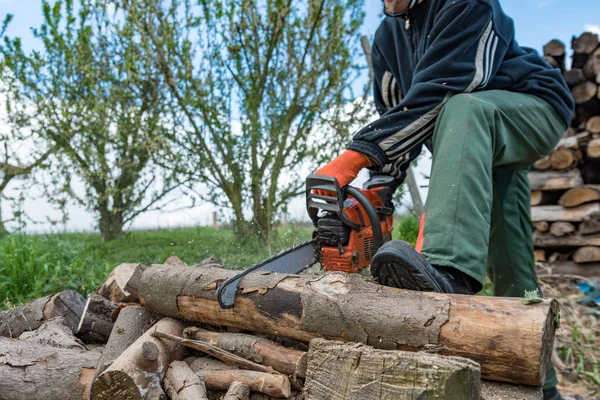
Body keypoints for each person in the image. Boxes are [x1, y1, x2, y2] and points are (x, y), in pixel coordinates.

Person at [313, 0, 574, 399]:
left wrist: (353, 158)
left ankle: (450, 271)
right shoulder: (387, 38)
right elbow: (399, 119)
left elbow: (448, 88)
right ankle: (544, 384)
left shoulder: (468, 4)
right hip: (477, 137)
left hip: (532, 106)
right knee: (511, 256)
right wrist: (377, 192)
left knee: (463, 106)